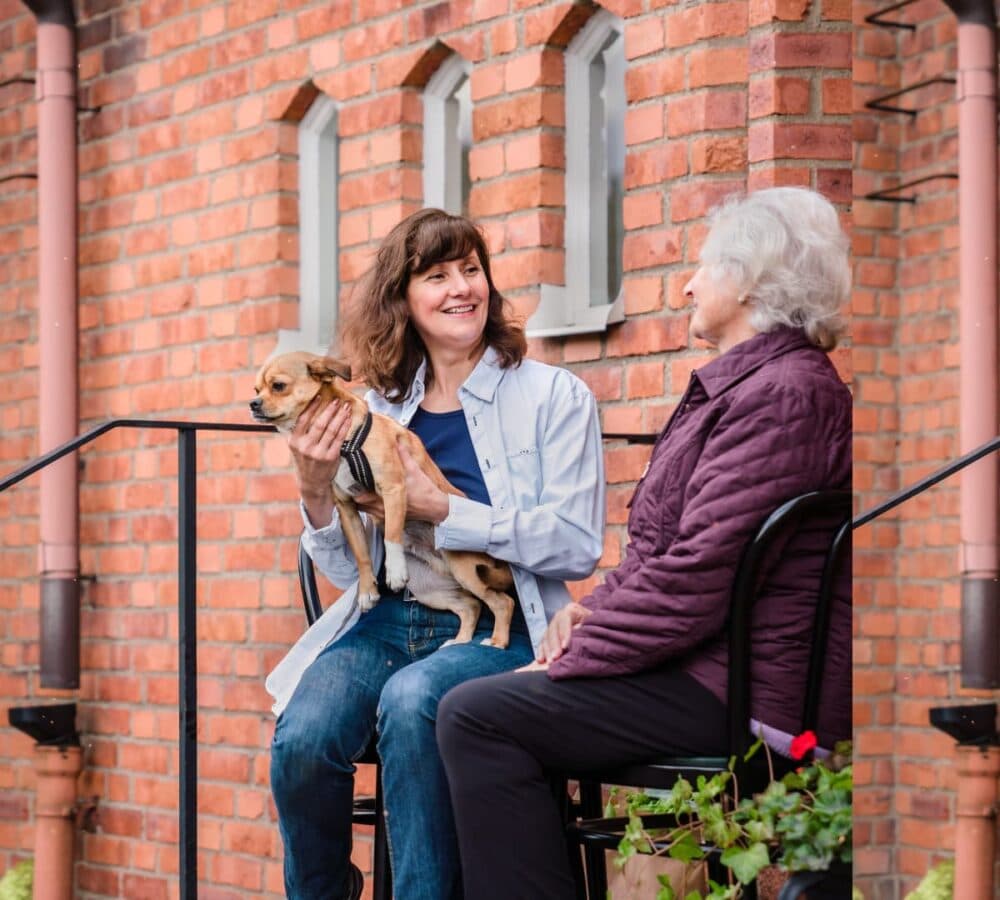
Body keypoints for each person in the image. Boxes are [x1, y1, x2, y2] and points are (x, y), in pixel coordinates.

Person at [436, 186, 853, 899]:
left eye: (705, 268)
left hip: (743, 691)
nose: (689, 284)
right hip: (707, 667)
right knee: (482, 706)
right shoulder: (753, 388)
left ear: (749, 281)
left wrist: (572, 662)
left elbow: (699, 576)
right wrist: (589, 614)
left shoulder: (783, 395)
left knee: (479, 716)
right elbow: (663, 553)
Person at [264, 208, 606, 900]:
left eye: (471, 270)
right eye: (436, 276)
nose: (461, 289)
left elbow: (576, 545)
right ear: (404, 301)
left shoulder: (552, 396)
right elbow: (342, 570)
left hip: (500, 626)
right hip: (388, 621)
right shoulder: (379, 407)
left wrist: (447, 510)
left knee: (413, 699)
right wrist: (314, 490)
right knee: (303, 735)